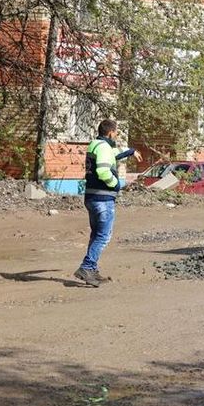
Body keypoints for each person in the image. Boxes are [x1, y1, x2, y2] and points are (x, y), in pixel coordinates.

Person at [74, 119, 141, 287]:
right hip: (102, 199)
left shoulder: (95, 145)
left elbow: (115, 153)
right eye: (116, 132)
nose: (116, 135)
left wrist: (131, 151)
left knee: (96, 235)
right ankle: (87, 267)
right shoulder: (104, 147)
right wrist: (116, 185)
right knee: (103, 236)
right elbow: (103, 171)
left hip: (91, 197)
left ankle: (92, 271)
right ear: (111, 132)